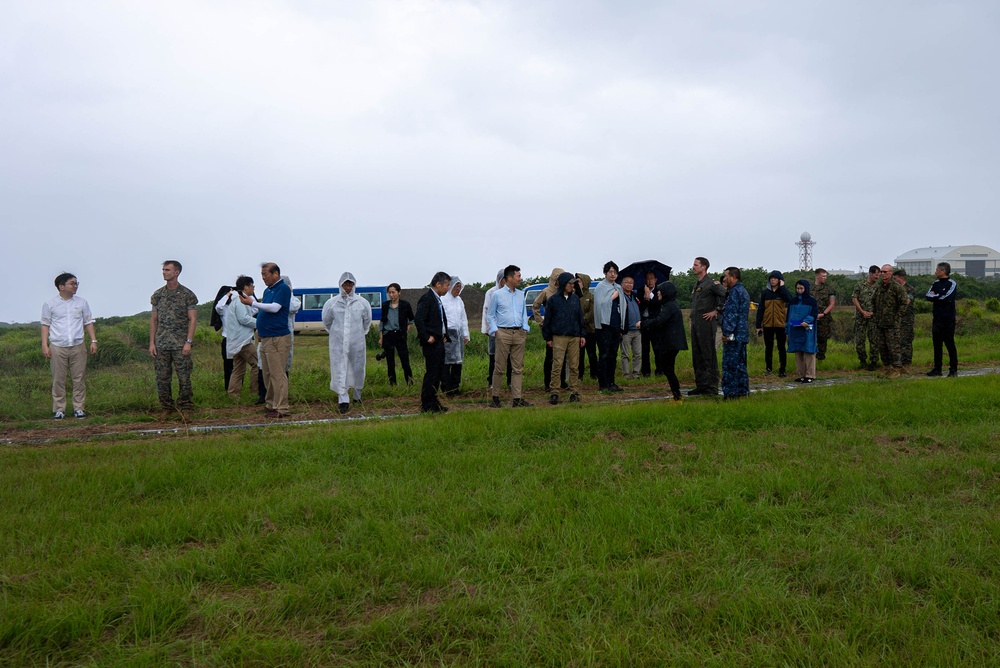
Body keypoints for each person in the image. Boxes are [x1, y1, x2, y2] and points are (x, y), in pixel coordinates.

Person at [40, 272, 97, 419]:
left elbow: (88, 322)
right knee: (58, 379)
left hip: (78, 345)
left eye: (76, 283)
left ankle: (79, 408)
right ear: (61, 286)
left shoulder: (82, 302)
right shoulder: (50, 304)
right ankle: (59, 409)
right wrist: (45, 345)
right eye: (72, 283)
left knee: (79, 378)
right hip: (58, 346)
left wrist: (93, 341)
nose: (75, 286)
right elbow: (45, 325)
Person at [240, 262, 291, 418]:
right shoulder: (268, 290)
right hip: (266, 337)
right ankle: (271, 404)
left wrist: (253, 302)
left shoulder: (282, 288)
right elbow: (262, 308)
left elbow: (275, 308)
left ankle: (281, 407)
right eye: (262, 274)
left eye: (265, 274)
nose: (263, 278)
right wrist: (249, 304)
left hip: (277, 337)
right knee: (267, 373)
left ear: (275, 274)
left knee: (277, 373)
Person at [149, 260, 198, 411]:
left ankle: (185, 407)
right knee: (162, 379)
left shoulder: (187, 295)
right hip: (162, 344)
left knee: (184, 378)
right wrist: (152, 343)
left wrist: (188, 341)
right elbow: (154, 320)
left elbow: (193, 319)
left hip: (180, 344)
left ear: (176, 272)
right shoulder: (158, 295)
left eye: (168, 270)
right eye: (163, 269)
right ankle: (166, 408)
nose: (164, 272)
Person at [322, 272, 372, 414]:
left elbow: (367, 322)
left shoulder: (362, 303)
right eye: (345, 284)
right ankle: (343, 399)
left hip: (357, 342)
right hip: (338, 343)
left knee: (358, 367)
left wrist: (358, 334)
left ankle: (357, 395)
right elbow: (326, 322)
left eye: (350, 284)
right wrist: (338, 333)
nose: (348, 287)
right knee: (340, 369)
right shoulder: (332, 303)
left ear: (354, 285)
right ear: (340, 285)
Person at [487, 264, 531, 407]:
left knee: (517, 368)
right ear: (509, 278)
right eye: (518, 276)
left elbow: (524, 313)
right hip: (503, 333)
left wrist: (525, 328)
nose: (520, 278)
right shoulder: (497, 295)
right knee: (499, 367)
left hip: (519, 333)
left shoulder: (520, 294)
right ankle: (495, 398)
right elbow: (490, 315)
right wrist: (496, 331)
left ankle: (516, 399)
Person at [541, 272, 586, 404]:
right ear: (563, 284)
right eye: (569, 283)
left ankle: (574, 391)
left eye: (573, 283)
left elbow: (580, 318)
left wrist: (582, 334)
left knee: (574, 365)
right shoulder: (553, 300)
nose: (572, 285)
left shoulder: (575, 299)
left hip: (574, 336)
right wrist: (548, 337)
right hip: (558, 336)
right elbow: (547, 321)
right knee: (557, 365)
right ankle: (554, 391)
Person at [638, 281, 687, 402]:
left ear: (665, 293)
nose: (658, 292)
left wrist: (643, 324)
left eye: (660, 291)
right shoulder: (668, 305)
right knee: (668, 368)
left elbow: (659, 320)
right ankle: (677, 395)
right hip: (671, 342)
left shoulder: (669, 306)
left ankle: (677, 396)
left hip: (671, 343)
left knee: (668, 369)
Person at [688, 257, 727, 396]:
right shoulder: (696, 284)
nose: (693, 267)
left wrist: (716, 310)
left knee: (708, 354)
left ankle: (712, 385)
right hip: (696, 323)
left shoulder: (712, 283)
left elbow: (726, 296)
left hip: (706, 324)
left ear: (703, 267)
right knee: (697, 354)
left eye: (696, 264)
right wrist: (691, 321)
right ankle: (701, 384)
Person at [415, 271, 451, 413]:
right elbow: (419, 319)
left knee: (438, 373)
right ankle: (427, 404)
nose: (448, 288)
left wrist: (444, 334)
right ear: (438, 284)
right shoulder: (427, 298)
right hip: (431, 343)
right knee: (432, 373)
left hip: (439, 341)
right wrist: (426, 336)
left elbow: (440, 319)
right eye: (447, 285)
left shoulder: (437, 298)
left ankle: (434, 402)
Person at [220, 276, 259, 399]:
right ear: (246, 287)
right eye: (252, 285)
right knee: (258, 364)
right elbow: (244, 319)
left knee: (238, 368)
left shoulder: (237, 300)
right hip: (243, 341)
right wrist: (261, 323)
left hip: (235, 341)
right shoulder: (239, 301)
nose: (253, 288)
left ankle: (233, 394)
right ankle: (255, 392)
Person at [533, 267, 568, 391]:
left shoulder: (565, 291)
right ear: (554, 278)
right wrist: (541, 323)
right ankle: (548, 383)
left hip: (563, 328)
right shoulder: (546, 292)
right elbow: (535, 306)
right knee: (550, 357)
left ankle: (562, 382)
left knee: (563, 356)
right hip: (551, 329)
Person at [719, 267, 750, 400]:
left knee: (730, 366)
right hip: (741, 334)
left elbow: (732, 315)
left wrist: (727, 333)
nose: (724, 279)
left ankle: (731, 393)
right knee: (740, 365)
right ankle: (742, 392)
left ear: (733, 277)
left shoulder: (734, 292)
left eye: (726, 276)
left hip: (734, 335)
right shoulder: (742, 291)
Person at [754, 270, 792, 377]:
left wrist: (782, 287)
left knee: (781, 347)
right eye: (771, 278)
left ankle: (782, 369)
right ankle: (769, 369)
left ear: (780, 280)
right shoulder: (765, 293)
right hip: (768, 324)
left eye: (775, 278)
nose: (773, 280)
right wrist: (758, 325)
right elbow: (761, 309)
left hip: (780, 324)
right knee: (768, 347)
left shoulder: (783, 292)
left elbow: (790, 300)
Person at [593, 261, 624, 392]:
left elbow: (622, 307)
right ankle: (603, 384)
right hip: (604, 326)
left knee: (613, 355)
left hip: (616, 325)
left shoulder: (619, 287)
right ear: (605, 273)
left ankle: (612, 382)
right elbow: (599, 306)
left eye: (615, 272)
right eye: (610, 272)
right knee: (604, 355)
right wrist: (611, 297)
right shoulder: (600, 287)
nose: (613, 274)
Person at [873, 264, 908, 377]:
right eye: (881, 272)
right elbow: (873, 301)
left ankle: (897, 369)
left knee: (893, 346)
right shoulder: (879, 287)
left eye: (885, 272)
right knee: (882, 347)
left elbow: (903, 304)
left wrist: (897, 318)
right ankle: (886, 368)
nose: (882, 274)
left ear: (891, 273)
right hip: (880, 322)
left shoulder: (897, 287)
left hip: (892, 324)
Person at [926, 261, 958, 377]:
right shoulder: (935, 283)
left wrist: (936, 296)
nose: (935, 272)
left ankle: (953, 370)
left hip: (948, 319)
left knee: (950, 344)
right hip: (937, 318)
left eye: (937, 270)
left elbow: (948, 297)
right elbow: (928, 296)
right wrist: (937, 296)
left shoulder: (952, 283)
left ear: (943, 271)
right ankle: (937, 369)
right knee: (937, 344)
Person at [379, 282, 415, 386]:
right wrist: (381, 337)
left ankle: (410, 383)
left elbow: (411, 320)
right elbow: (382, 321)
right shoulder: (385, 305)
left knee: (405, 361)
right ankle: (392, 384)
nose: (391, 295)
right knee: (390, 362)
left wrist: (405, 331)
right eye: (389, 293)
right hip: (388, 334)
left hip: (400, 335)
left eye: (393, 292)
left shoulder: (405, 305)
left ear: (399, 292)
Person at [482, 269, 511, 390]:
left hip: (508, 329)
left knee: (510, 357)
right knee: (494, 357)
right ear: (500, 280)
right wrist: (488, 328)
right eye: (503, 280)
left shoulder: (511, 292)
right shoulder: (491, 292)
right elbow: (486, 310)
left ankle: (510, 382)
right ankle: (492, 382)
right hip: (494, 330)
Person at [441, 275, 470, 395]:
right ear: (450, 286)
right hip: (448, 333)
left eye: (459, 287)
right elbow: (441, 318)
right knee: (447, 362)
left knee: (458, 362)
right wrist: (442, 333)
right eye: (456, 287)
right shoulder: (443, 299)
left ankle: (455, 387)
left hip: (458, 334)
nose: (458, 290)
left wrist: (465, 334)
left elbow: (463, 318)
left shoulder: (459, 301)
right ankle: (446, 388)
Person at [787, 279, 819, 383]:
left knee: (808, 351)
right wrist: (787, 328)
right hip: (795, 329)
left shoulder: (812, 301)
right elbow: (788, 316)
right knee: (798, 351)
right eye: (797, 288)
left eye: (801, 288)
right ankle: (800, 374)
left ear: (806, 289)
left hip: (807, 329)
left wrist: (806, 321)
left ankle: (810, 375)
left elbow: (814, 314)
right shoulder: (792, 301)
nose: (799, 290)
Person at [852, 265, 880, 371]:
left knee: (874, 340)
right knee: (860, 340)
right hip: (860, 316)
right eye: (875, 275)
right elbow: (854, 298)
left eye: (878, 275)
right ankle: (862, 361)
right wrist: (862, 311)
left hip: (874, 317)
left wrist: (873, 312)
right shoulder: (860, 285)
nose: (877, 278)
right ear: (870, 273)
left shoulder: (879, 286)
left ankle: (874, 362)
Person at [210, 284, 235, 392]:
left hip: (239, 339)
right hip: (228, 339)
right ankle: (228, 388)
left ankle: (236, 388)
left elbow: (254, 308)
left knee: (238, 367)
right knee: (228, 366)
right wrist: (228, 294)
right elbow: (219, 306)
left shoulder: (240, 307)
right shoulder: (224, 309)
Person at [575, 273, 599, 381]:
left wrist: (583, 320)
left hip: (590, 330)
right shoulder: (574, 296)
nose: (577, 283)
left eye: (579, 281)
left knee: (592, 354)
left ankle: (594, 374)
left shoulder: (591, 297)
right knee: (579, 355)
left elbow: (592, 312)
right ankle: (579, 375)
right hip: (578, 331)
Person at [637, 271, 661, 377]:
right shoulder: (640, 291)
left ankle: (659, 370)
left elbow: (657, 305)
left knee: (657, 348)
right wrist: (645, 297)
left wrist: (649, 295)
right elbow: (640, 306)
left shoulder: (659, 290)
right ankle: (646, 372)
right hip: (644, 322)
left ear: (655, 280)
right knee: (644, 349)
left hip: (655, 323)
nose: (649, 281)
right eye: (647, 278)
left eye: (651, 278)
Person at [618, 276, 642, 379]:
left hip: (637, 330)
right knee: (625, 354)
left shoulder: (635, 296)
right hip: (626, 331)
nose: (629, 284)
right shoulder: (620, 296)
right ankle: (626, 375)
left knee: (638, 354)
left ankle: (636, 374)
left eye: (631, 283)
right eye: (627, 282)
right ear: (622, 284)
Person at [812, 268, 836, 361]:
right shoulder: (809, 288)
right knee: (811, 339)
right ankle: (811, 359)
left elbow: (832, 303)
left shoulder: (829, 289)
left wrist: (823, 314)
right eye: (823, 276)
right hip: (811, 318)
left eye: (826, 276)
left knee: (822, 339)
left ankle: (821, 359)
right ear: (817, 276)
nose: (825, 278)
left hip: (824, 318)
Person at [893, 269, 916, 367]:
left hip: (906, 319)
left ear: (900, 278)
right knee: (896, 341)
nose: (894, 280)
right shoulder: (895, 289)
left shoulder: (910, 289)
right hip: (896, 319)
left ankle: (906, 362)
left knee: (906, 341)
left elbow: (906, 302)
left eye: (895, 278)